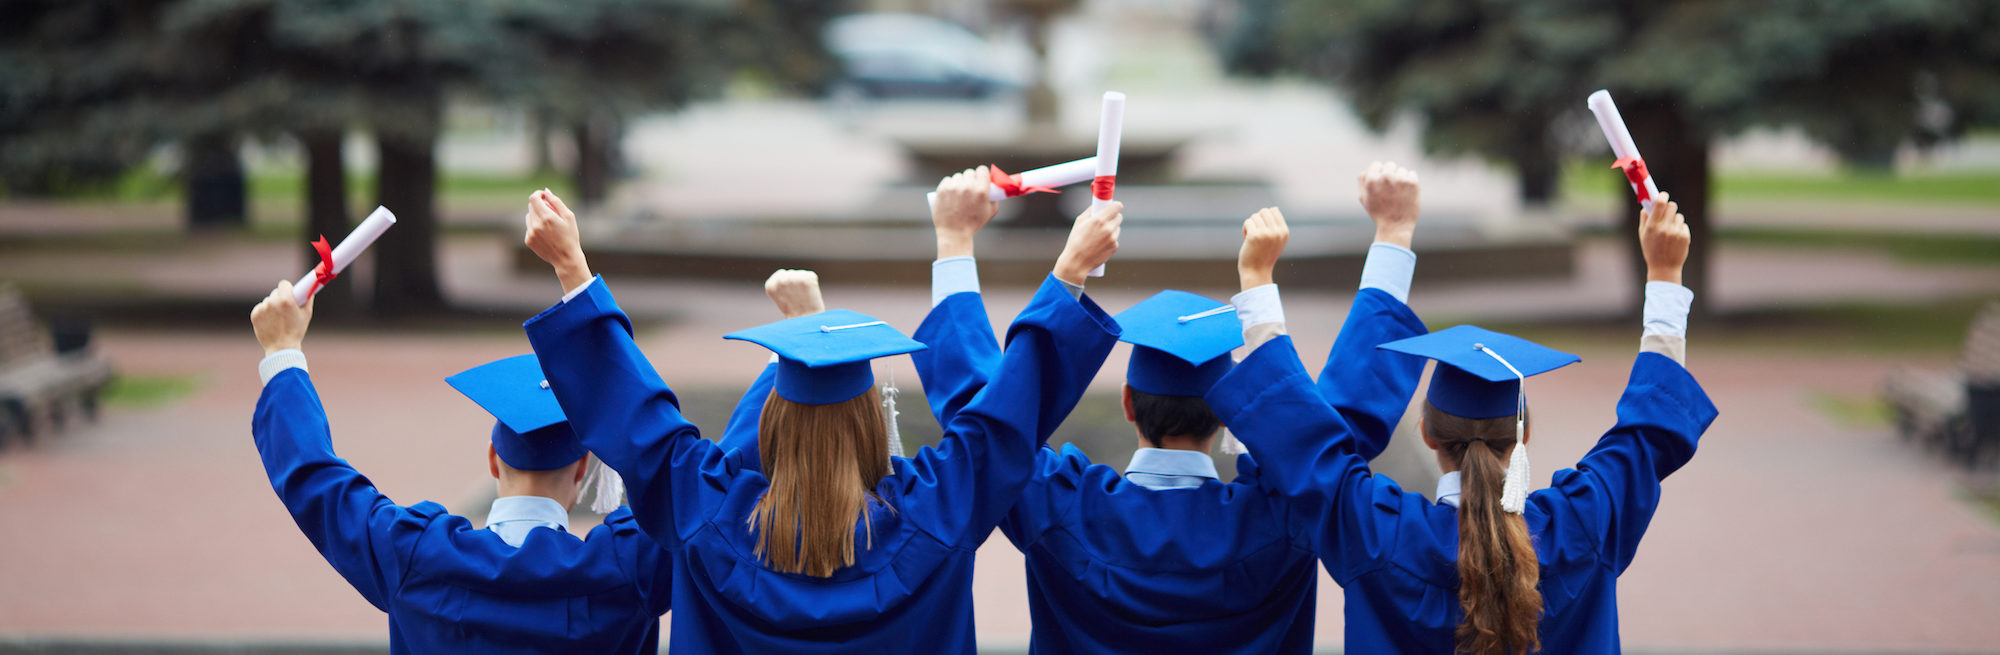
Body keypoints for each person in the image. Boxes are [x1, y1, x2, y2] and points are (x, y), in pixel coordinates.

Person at [516, 188, 1125, 652]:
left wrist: (573, 268)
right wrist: (1066, 274)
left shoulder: (706, 510)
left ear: (769, 426)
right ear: (870, 424)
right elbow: (1001, 419)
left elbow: (638, 418)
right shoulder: (936, 510)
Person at [855, 165, 1427, 653]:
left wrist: (958, 242)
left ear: (1127, 403)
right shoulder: (1282, 514)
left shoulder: (1060, 507)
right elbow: (1327, 437)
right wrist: (1393, 234)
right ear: (1228, 413)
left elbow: (984, 429)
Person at [1206, 192, 1719, 653]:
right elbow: (1650, 431)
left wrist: (1257, 280)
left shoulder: (1378, 530)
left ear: (1428, 433)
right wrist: (1665, 274)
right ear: (1523, 433)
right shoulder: (1582, 525)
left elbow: (1302, 442)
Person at [248, 283, 672, 654]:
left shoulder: (415, 557)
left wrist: (282, 352)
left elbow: (314, 477)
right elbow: (695, 490)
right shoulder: (630, 569)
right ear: (582, 469)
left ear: (493, 459)